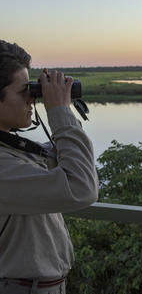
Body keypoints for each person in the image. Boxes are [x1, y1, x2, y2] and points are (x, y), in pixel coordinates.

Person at [0, 40, 99, 294]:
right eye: (25, 91)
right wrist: (60, 112)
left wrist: (62, 114)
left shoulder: (11, 150)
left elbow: (60, 161)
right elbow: (81, 187)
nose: (32, 98)